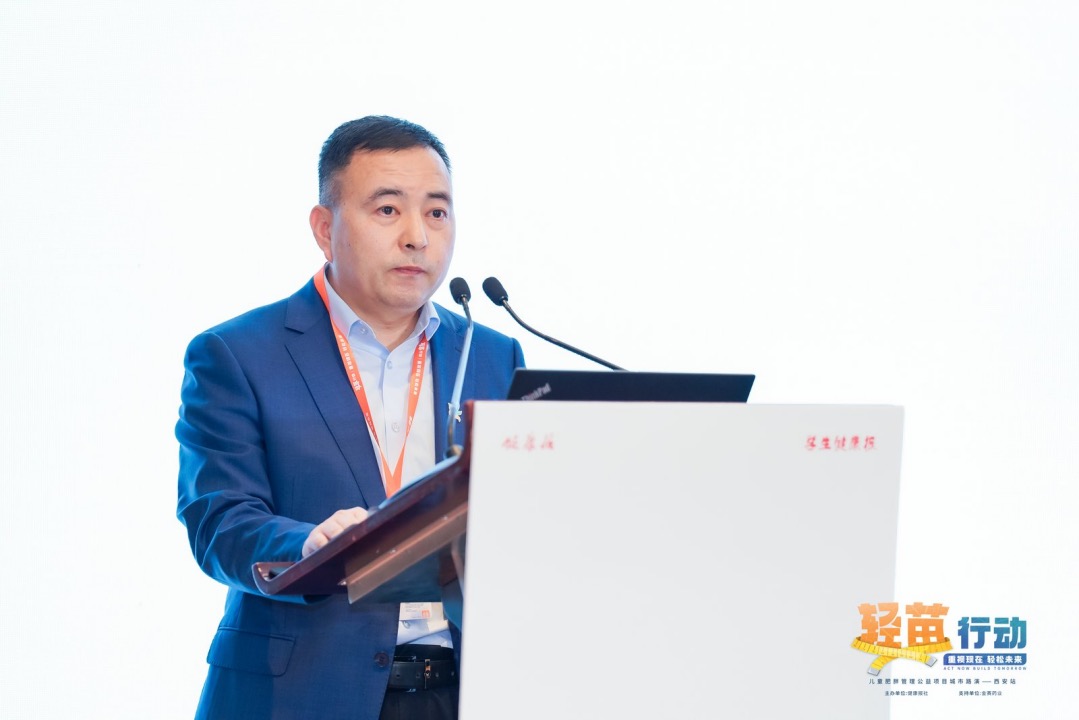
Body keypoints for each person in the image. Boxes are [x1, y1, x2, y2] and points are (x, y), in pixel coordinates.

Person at [176, 116, 524, 720]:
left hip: (462, 691)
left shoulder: (493, 354)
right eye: (388, 210)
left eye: (437, 212)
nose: (417, 236)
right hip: (301, 693)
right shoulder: (237, 354)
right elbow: (219, 521)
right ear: (324, 227)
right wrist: (308, 545)